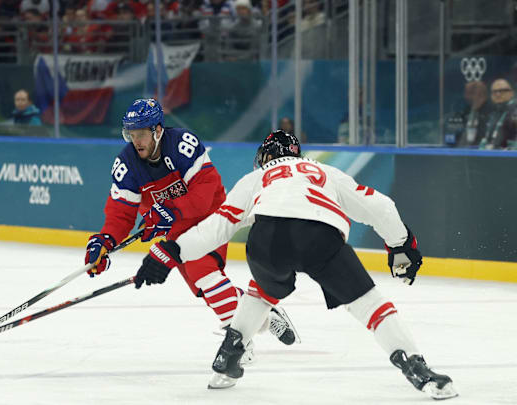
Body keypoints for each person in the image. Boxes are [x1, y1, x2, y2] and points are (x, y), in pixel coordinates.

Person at [135, 130, 458, 400]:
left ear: (265, 156)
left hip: (265, 240)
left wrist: (171, 252)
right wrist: (401, 245)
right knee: (369, 304)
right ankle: (417, 368)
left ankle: (227, 359)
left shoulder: (256, 178)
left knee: (261, 292)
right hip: (319, 237)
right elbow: (380, 206)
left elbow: (219, 225)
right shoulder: (325, 172)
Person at [85, 99, 296, 362]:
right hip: (177, 226)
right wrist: (104, 241)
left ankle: (239, 343)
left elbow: (204, 193)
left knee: (202, 272)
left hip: (211, 214)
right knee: (204, 287)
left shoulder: (182, 144)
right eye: (131, 134)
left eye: (141, 134)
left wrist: (168, 211)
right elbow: (120, 214)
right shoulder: (126, 165)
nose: (136, 141)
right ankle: (262, 313)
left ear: (157, 131)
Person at [480, 78, 517, 150]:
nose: (498, 94)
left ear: (511, 93)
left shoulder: (514, 112)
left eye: (502, 90)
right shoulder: (490, 113)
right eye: (494, 91)